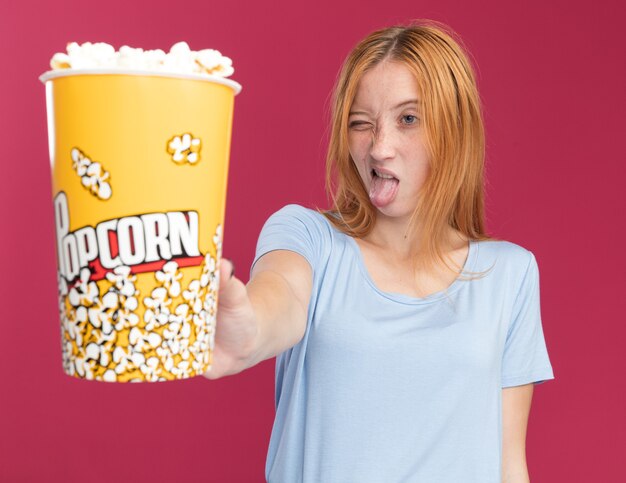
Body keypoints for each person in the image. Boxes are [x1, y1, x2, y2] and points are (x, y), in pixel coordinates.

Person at [204, 19, 555, 483]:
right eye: (361, 124)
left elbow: (510, 463)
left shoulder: (509, 273)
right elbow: (281, 298)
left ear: (455, 130)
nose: (379, 148)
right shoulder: (307, 236)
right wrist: (248, 331)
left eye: (408, 119)